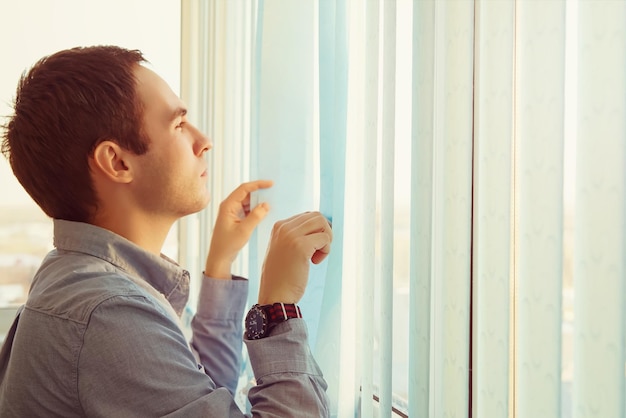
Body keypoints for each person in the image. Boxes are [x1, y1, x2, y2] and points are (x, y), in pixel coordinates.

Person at [0, 45, 332, 417]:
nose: (204, 140)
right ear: (117, 161)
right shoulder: (108, 314)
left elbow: (201, 396)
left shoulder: (73, 276)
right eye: (178, 124)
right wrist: (277, 309)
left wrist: (220, 263)